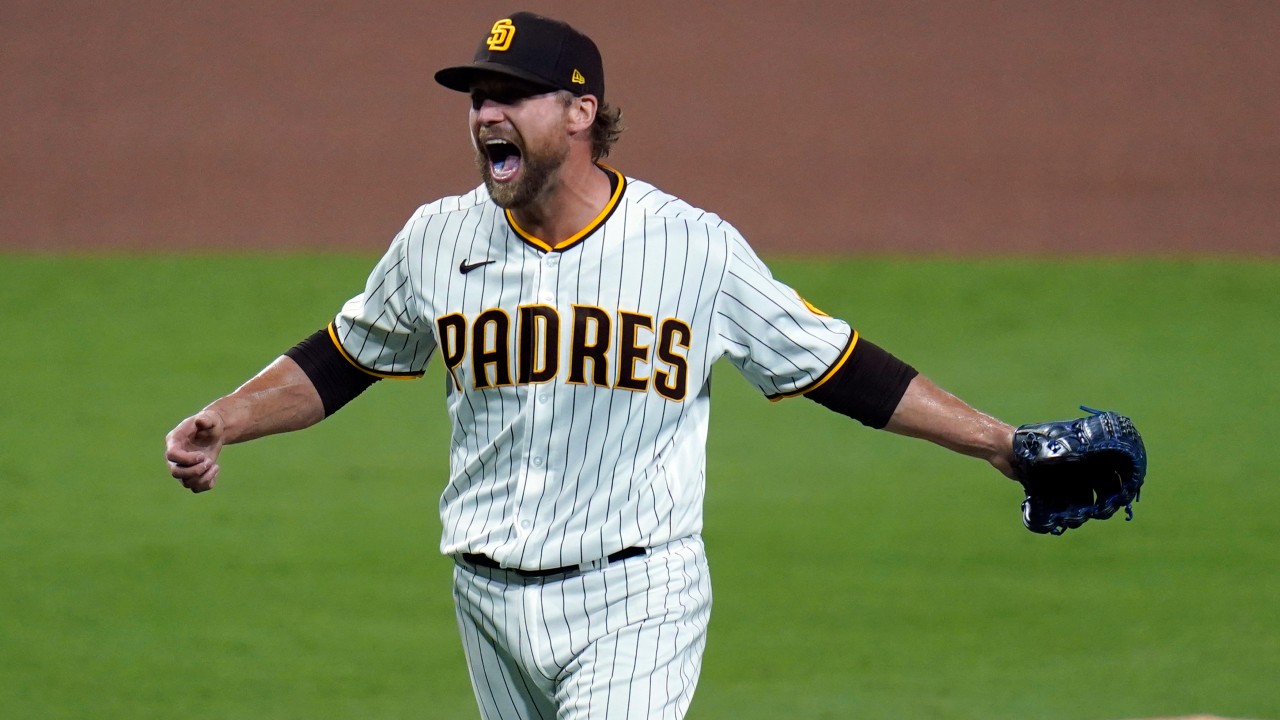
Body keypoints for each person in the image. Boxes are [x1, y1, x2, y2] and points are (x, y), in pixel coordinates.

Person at [165, 12, 1018, 719]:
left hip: (637, 596)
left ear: (580, 112)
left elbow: (842, 368)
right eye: (476, 99)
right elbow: (347, 355)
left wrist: (1001, 445)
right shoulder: (437, 238)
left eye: (509, 96)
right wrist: (225, 421)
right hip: (486, 602)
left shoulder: (693, 248)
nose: (484, 115)